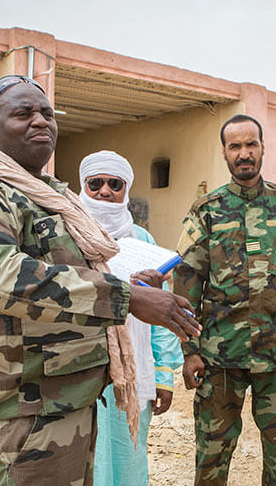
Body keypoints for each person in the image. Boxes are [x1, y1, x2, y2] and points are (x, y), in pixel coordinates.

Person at [0, 75, 200, 486]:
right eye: (23, 114)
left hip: (73, 399)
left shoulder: (52, 201)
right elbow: (1, 278)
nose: (40, 122)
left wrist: (132, 282)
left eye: (47, 114)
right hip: (27, 412)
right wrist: (124, 297)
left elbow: (75, 273)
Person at [173, 114, 276, 486]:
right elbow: (186, 284)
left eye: (251, 144)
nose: (244, 153)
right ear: (225, 153)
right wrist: (189, 349)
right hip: (219, 358)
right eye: (235, 146)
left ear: (262, 147)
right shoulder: (205, 210)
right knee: (211, 455)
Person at [78, 149, 184, 486]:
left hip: (134, 371)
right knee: (85, 460)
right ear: (83, 186)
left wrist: (164, 376)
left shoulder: (144, 240)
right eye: (95, 183)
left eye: (114, 184)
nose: (104, 191)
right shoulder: (66, 235)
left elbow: (162, 313)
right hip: (81, 371)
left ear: (126, 189)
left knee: (128, 457)